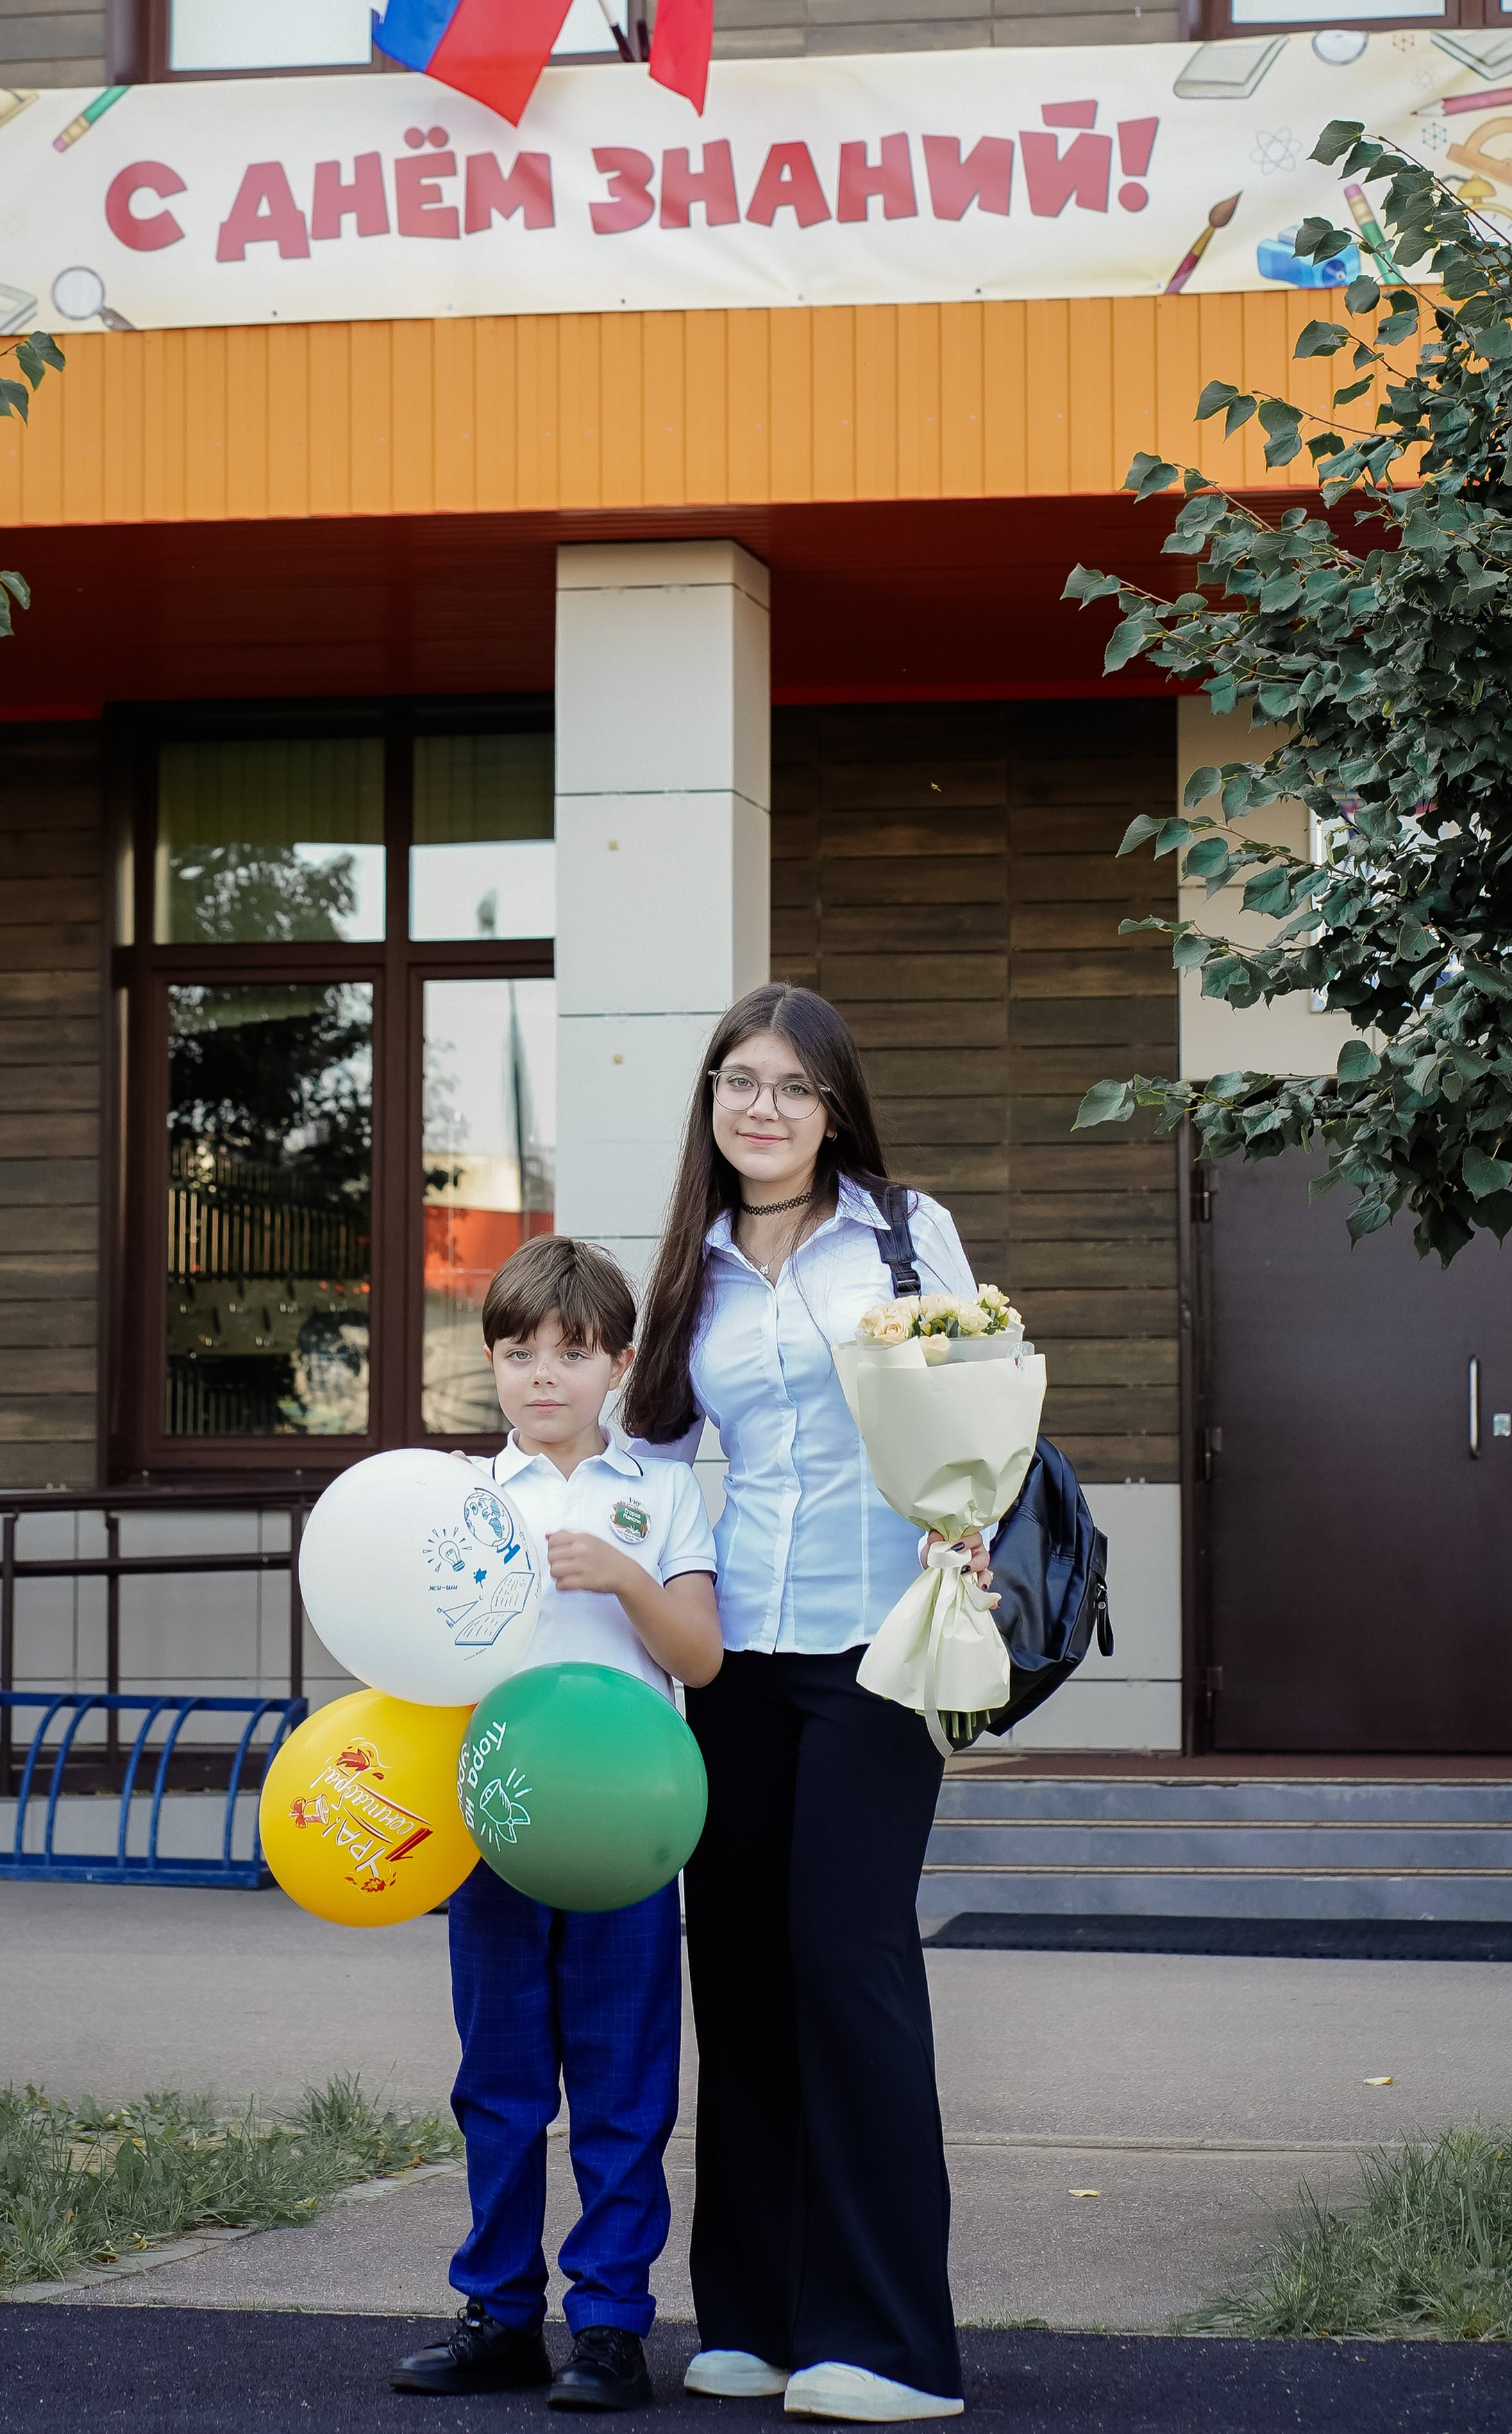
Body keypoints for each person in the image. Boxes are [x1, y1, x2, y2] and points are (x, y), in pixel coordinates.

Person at [623, 982, 990, 2426]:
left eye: (789, 1086)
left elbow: (976, 1404)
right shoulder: (690, 1267)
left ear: (832, 1106)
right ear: (710, 1101)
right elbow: (655, 1454)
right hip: (735, 1664)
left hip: (875, 1650)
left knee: (846, 1965)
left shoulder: (901, 1232)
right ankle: (760, 2320)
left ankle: (890, 2342)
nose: (759, 1109)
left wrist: (963, 1520)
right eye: (736, 1082)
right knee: (745, 1978)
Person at [394, 1236, 723, 2413]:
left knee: (625, 2084)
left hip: (628, 1835)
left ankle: (612, 2327)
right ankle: (497, 2314)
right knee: (500, 2081)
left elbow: (702, 1657)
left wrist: (625, 1578)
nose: (545, 1376)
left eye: (573, 1355)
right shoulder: (461, 1500)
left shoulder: (662, 1493)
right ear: (490, 1361)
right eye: (520, 1352)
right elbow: (418, 1670)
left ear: (619, 1365)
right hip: (493, 1829)